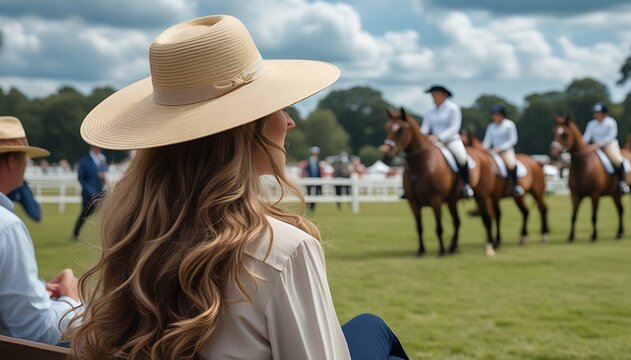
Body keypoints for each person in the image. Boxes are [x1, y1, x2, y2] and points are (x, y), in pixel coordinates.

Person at [68, 15, 407, 360]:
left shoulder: (133, 228)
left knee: (370, 326)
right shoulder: (283, 249)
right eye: (280, 107)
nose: (289, 121)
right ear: (246, 129)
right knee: (373, 328)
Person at [0, 116, 82, 344]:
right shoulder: (7, 226)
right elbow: (35, 331)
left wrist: (35, 292)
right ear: (12, 162)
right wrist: (72, 301)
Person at [421, 85, 473, 197]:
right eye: (432, 94)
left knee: (462, 157)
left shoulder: (453, 108)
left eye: (435, 94)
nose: (433, 97)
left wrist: (439, 137)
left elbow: (454, 127)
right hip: (434, 142)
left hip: (451, 140)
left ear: (444, 95)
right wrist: (422, 137)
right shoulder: (430, 110)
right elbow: (425, 128)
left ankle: (466, 185)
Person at [582, 102, 629, 193]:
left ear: (604, 113)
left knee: (617, 160)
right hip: (594, 146)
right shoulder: (591, 124)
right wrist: (582, 145)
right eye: (595, 113)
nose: (596, 115)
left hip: (609, 145)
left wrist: (599, 144)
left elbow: (611, 136)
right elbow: (586, 137)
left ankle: (622, 182)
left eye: (599, 113)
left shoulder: (610, 122)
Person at [482, 104, 523, 196]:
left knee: (511, 165)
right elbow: (487, 140)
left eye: (497, 115)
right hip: (492, 151)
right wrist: (483, 148)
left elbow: (513, 140)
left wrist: (500, 148)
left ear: (502, 115)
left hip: (506, 151)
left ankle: (516, 186)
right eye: (494, 115)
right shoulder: (491, 126)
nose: (495, 117)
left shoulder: (509, 125)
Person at [72, 145, 107, 239]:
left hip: (100, 191)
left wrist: (103, 177)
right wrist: (91, 191)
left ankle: (105, 233)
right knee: (85, 214)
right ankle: (75, 233)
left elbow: (103, 173)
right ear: (93, 147)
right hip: (89, 194)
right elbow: (80, 178)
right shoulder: (84, 161)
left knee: (105, 212)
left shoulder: (102, 159)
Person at [305, 146, 322, 212]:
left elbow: (318, 171)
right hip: (309, 178)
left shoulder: (318, 160)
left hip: (316, 178)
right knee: (309, 192)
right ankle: (309, 205)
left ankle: (313, 207)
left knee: (315, 193)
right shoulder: (309, 160)